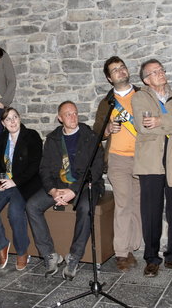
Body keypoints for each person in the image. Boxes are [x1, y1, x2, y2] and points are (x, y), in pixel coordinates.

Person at [26, 101, 104, 281]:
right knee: (32, 206)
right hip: (58, 185)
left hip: (86, 186)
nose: (73, 117)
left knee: (85, 208)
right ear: (60, 118)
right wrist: (53, 191)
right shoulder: (53, 139)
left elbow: (96, 169)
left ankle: (74, 257)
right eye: (68, 114)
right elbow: (44, 169)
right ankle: (50, 254)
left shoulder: (90, 136)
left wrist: (73, 191)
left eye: (75, 113)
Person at [132, 59, 172, 278]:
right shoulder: (139, 97)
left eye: (161, 70)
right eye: (154, 72)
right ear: (145, 79)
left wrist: (160, 121)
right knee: (151, 212)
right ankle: (151, 259)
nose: (160, 73)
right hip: (151, 161)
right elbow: (143, 126)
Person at [93, 56, 141, 271]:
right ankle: (121, 252)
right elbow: (97, 133)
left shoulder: (143, 95)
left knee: (138, 205)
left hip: (142, 158)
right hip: (117, 158)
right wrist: (107, 130)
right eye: (115, 70)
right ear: (109, 78)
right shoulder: (107, 102)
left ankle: (133, 247)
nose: (120, 71)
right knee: (123, 203)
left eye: (122, 67)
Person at [0, 107, 42, 271]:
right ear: (3, 123)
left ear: (20, 118)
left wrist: (14, 181)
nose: (12, 121)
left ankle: (23, 252)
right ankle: (1, 244)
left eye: (15, 117)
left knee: (15, 211)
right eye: (8, 119)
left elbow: (34, 166)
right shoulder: (1, 138)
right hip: (5, 183)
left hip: (24, 184)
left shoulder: (32, 136)